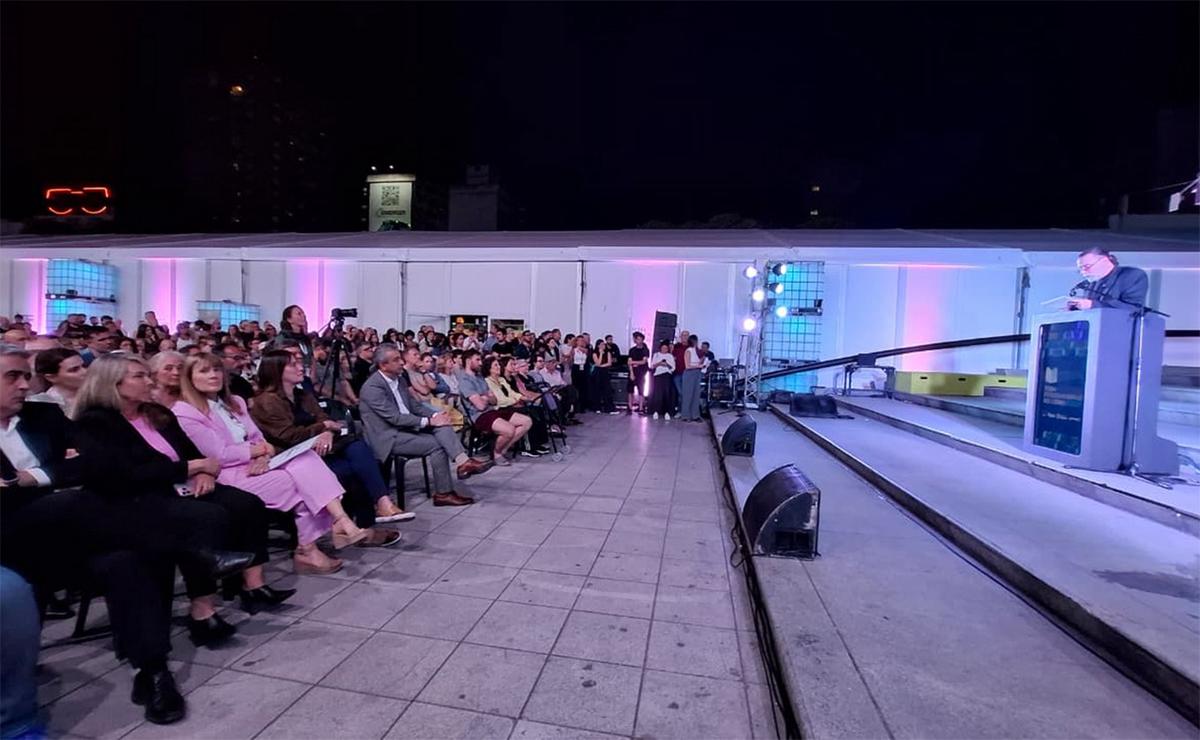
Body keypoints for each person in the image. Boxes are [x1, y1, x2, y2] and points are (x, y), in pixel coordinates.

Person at [69, 354, 283, 642]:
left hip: (181, 484)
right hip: (136, 497)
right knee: (204, 519)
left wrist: (204, 473)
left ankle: (251, 586)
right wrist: (192, 468)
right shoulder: (96, 423)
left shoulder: (157, 414)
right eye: (139, 377)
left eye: (147, 375)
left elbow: (193, 452)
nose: (149, 381)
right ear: (113, 383)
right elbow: (125, 473)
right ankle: (203, 609)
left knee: (247, 504)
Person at [173, 353, 365, 575]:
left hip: (258, 464)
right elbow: (219, 455)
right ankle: (320, 538)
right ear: (189, 378)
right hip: (226, 475)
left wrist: (263, 455)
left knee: (306, 459)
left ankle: (331, 529)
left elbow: (258, 438)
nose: (214, 375)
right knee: (303, 483)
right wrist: (259, 451)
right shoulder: (185, 412)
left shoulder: (235, 402)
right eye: (204, 371)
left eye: (217, 370)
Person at [251, 349, 410, 537]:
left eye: (300, 362)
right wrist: (322, 429)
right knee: (350, 468)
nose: (301, 367)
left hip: (318, 448)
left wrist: (326, 431)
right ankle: (364, 521)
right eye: (293, 364)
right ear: (276, 371)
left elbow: (324, 418)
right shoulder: (266, 401)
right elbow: (288, 436)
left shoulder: (302, 395)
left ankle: (379, 507)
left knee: (357, 448)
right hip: (293, 456)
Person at [358, 344, 482, 506]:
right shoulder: (372, 387)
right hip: (388, 436)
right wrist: (429, 421)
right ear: (383, 365)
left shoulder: (400, 379)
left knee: (442, 424)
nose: (401, 363)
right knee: (438, 445)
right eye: (396, 360)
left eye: (400, 358)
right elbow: (394, 418)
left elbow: (414, 406)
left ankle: (463, 463)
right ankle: (444, 493)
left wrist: (436, 415)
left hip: (406, 428)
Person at [457, 350, 532, 467]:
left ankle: (502, 450)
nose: (480, 363)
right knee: (509, 429)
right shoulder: (465, 381)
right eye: (477, 360)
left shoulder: (480, 377)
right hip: (479, 416)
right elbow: (480, 406)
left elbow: (495, 400)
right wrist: (487, 397)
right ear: (468, 361)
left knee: (526, 421)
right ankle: (496, 453)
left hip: (493, 410)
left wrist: (484, 397)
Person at [1067, 247, 1149, 311]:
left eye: (1087, 267)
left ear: (1104, 261)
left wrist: (1092, 305)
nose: (1083, 272)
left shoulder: (1131, 275)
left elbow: (1133, 309)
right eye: (1080, 269)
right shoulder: (1090, 284)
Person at [27, 346, 86, 415]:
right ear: (51, 377)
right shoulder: (40, 403)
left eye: (84, 366)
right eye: (74, 370)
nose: (85, 371)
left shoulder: (97, 395)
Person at [647, 341, 676, 420]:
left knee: (666, 394)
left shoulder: (670, 356)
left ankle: (667, 412)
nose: (664, 349)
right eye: (663, 348)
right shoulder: (656, 355)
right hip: (658, 376)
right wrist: (659, 363)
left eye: (666, 348)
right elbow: (652, 366)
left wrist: (667, 364)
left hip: (667, 375)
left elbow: (673, 368)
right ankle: (656, 411)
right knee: (657, 394)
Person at [678, 335, 704, 422]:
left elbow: (698, 361)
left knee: (696, 394)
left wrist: (702, 362)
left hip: (697, 373)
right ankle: (685, 415)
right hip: (689, 373)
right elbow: (687, 366)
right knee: (687, 395)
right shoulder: (688, 351)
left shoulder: (697, 351)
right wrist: (698, 365)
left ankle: (695, 415)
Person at [590, 339, 618, 414]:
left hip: (605, 371)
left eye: (604, 344)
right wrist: (601, 354)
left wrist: (602, 366)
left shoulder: (608, 352)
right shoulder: (594, 353)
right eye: (602, 345)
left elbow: (609, 363)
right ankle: (597, 407)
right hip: (597, 372)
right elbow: (597, 362)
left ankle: (609, 408)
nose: (603, 346)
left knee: (607, 390)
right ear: (598, 345)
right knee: (597, 390)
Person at [626, 332, 650, 415]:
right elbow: (629, 363)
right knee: (630, 390)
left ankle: (641, 408)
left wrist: (633, 362)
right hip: (633, 371)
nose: (639, 341)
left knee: (641, 391)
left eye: (641, 339)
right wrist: (631, 372)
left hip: (641, 372)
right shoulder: (632, 350)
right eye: (637, 339)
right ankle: (629, 407)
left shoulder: (645, 350)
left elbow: (644, 361)